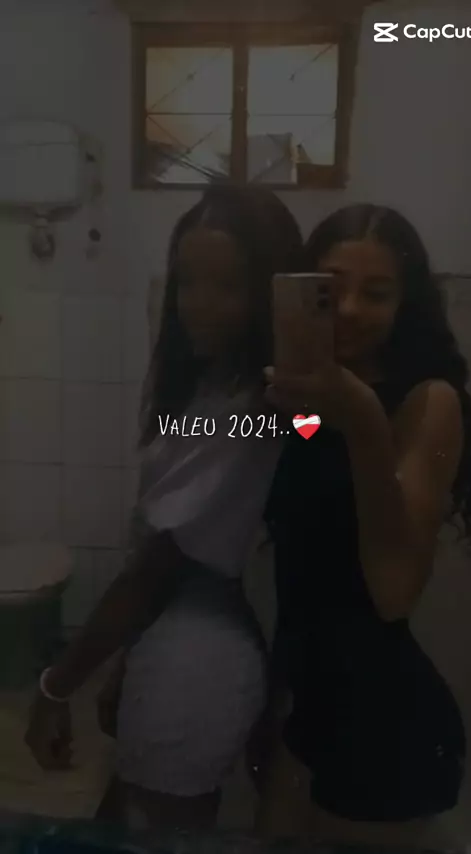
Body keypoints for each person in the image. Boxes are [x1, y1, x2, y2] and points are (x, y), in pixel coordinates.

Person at [25, 184, 303, 832]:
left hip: (199, 659)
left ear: (268, 292)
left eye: (227, 286)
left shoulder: (256, 408)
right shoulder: (209, 383)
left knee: (156, 829)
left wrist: (56, 686)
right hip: (173, 635)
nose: (198, 304)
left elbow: (158, 563)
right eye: (187, 283)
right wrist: (129, 657)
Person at [254, 204, 471, 845]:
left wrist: (362, 421)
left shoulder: (429, 403)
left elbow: (393, 590)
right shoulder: (311, 399)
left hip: (383, 727)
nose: (350, 309)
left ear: (406, 304)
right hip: (308, 708)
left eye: (376, 294)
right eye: (331, 290)